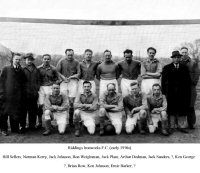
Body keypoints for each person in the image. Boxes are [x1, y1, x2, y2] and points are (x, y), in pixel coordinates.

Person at [162, 51, 191, 134]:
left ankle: (181, 126)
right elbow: (163, 82)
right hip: (170, 92)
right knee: (171, 109)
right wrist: (164, 93)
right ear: (172, 58)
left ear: (180, 58)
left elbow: (188, 81)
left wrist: (187, 92)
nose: (176, 59)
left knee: (182, 108)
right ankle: (172, 126)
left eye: (178, 57)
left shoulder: (184, 68)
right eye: (175, 57)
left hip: (182, 92)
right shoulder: (167, 68)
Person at [0, 53, 26, 135]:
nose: (18, 61)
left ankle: (14, 128)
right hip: (6, 95)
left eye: (19, 59)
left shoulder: (21, 70)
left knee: (15, 112)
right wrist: (1, 93)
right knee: (4, 112)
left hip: (17, 96)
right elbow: (1, 82)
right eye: (16, 59)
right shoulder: (6, 69)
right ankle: (3, 129)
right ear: (12, 60)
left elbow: (23, 83)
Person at [56, 49, 80, 127]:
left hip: (73, 82)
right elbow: (57, 72)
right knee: (64, 101)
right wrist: (63, 78)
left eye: (71, 55)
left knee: (71, 102)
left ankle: (71, 121)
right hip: (64, 82)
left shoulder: (76, 62)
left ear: (73, 54)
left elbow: (79, 73)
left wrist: (72, 76)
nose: (70, 56)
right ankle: (64, 120)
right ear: (65, 54)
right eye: (68, 55)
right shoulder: (61, 61)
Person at [37, 54, 61, 129]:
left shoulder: (53, 68)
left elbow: (59, 79)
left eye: (48, 59)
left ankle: (51, 123)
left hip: (50, 87)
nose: (46, 60)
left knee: (50, 105)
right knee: (40, 105)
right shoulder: (38, 68)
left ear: (50, 60)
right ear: (42, 59)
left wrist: (55, 84)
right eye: (45, 59)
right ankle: (40, 122)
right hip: (41, 88)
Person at [180, 47, 200, 129]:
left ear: (187, 53)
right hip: (181, 87)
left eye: (185, 52)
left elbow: (197, 73)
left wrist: (194, 82)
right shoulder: (179, 62)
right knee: (182, 104)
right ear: (181, 53)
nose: (184, 54)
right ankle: (182, 123)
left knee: (191, 105)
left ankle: (191, 123)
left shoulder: (193, 62)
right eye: (183, 53)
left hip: (191, 86)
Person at [23, 53, 40, 130]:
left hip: (33, 93)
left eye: (30, 60)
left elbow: (38, 80)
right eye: (27, 60)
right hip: (25, 93)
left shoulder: (36, 69)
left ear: (32, 60)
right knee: (24, 110)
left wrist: (37, 88)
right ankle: (23, 125)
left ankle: (32, 125)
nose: (29, 61)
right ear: (25, 60)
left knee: (33, 110)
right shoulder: (22, 69)